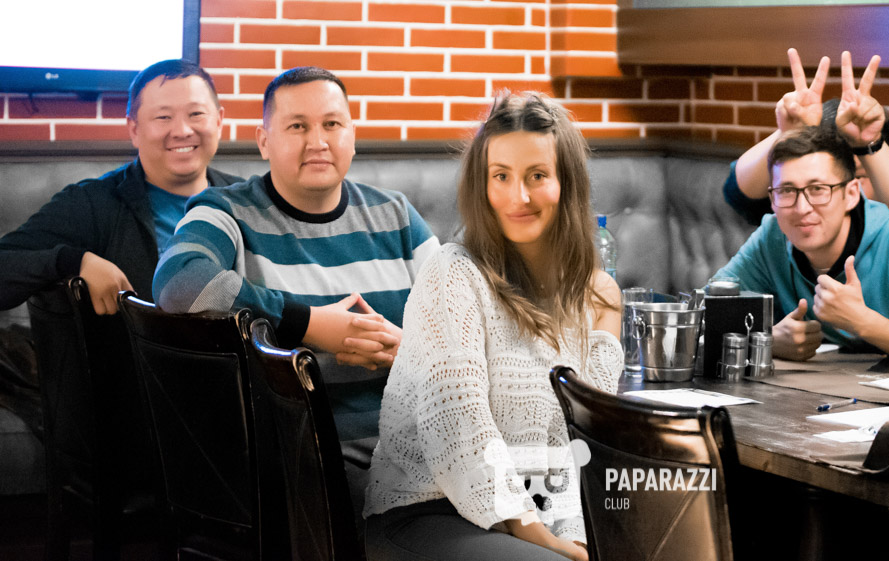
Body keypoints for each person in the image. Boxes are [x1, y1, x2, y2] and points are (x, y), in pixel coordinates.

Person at [152, 66, 438, 491]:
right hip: (302, 471)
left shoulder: (396, 215)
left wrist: (410, 351)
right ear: (264, 141)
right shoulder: (225, 211)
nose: (317, 142)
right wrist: (309, 324)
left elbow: (466, 334)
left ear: (352, 136)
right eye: (297, 126)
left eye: (332, 124)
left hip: (426, 455)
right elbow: (178, 283)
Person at [364, 92, 621, 561]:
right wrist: (547, 542)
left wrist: (578, 540)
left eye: (537, 176)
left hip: (537, 516)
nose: (517, 197)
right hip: (428, 511)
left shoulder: (596, 296)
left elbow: (586, 442)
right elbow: (461, 433)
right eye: (500, 176)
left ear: (567, 183)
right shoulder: (452, 273)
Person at [0, 58, 236, 314]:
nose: (182, 130)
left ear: (219, 121)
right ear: (134, 129)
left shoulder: (249, 199)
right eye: (163, 117)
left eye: (196, 114)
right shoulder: (90, 204)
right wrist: (73, 261)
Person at [713, 124, 889, 361]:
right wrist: (768, 340)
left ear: (851, 194)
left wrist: (862, 321)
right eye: (786, 190)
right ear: (772, 199)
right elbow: (710, 310)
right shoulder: (772, 236)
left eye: (818, 189)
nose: (802, 208)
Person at [723, 49, 889, 264]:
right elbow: (738, 194)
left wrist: (869, 144)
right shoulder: (799, 210)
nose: (846, 191)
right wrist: (788, 134)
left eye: (859, 178)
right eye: (821, 185)